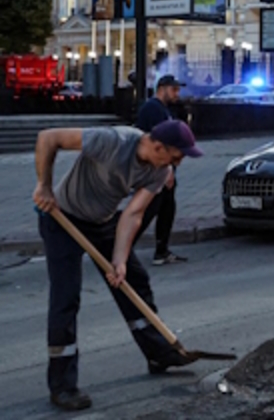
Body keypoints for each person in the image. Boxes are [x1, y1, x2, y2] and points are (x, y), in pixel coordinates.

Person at [32, 119, 203, 412]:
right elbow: (48, 137)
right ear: (158, 147)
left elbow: (133, 214)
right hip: (63, 218)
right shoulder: (112, 141)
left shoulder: (160, 170)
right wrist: (44, 186)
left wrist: (119, 260)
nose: (178, 163)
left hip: (103, 222)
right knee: (66, 297)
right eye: (176, 156)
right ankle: (62, 386)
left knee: (134, 281)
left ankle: (159, 353)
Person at [134, 75, 188, 265]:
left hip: (161, 167)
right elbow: (159, 141)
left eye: (178, 90)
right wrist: (168, 169)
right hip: (155, 169)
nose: (177, 94)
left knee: (166, 208)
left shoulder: (164, 109)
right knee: (148, 209)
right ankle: (122, 246)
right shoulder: (153, 109)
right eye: (174, 90)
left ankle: (161, 250)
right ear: (162, 88)